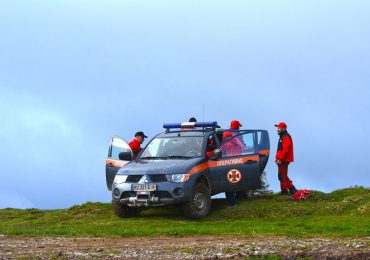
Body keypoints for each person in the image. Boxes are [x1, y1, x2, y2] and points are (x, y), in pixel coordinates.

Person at [275, 122, 297, 195]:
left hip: (284, 160)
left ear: (284, 128)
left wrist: (280, 159)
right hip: (282, 159)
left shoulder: (286, 137)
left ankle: (285, 191)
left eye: (279, 128)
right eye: (277, 128)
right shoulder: (283, 136)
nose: (277, 129)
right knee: (282, 175)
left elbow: (286, 150)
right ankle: (292, 189)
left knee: (282, 175)